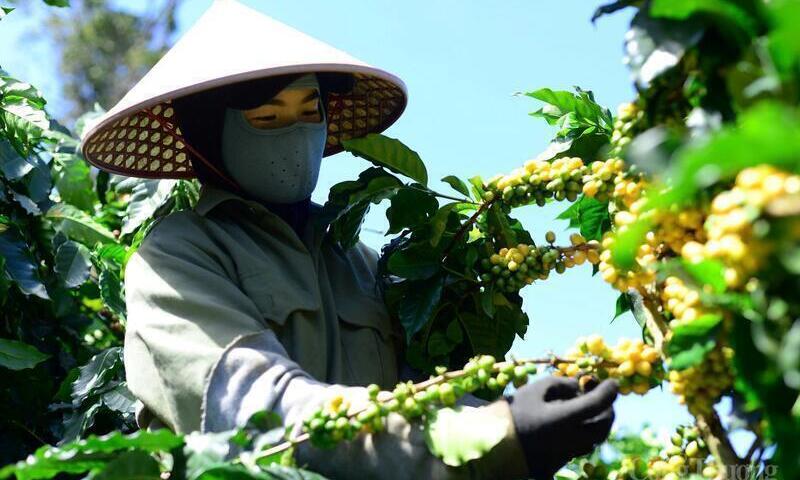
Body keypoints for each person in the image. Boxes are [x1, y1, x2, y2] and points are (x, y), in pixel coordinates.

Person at [80, 2, 618, 479]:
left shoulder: (359, 261)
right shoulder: (175, 257)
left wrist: (517, 421)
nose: (295, 135)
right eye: (266, 117)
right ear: (206, 136)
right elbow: (250, 411)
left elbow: (417, 402)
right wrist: (499, 437)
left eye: (309, 112)